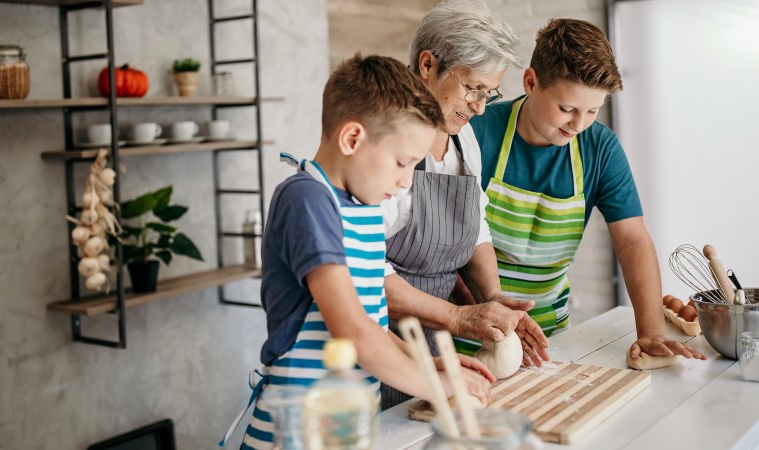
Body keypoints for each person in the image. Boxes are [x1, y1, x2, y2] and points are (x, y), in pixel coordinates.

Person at [229, 54, 494, 450]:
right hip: (296, 430)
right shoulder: (306, 199)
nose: (406, 183)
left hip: (345, 424)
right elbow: (352, 331)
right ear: (352, 139)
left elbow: (373, 323)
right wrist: (435, 385)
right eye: (403, 163)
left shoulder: (363, 207)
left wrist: (428, 363)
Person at [467, 18, 707, 361]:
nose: (578, 125)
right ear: (531, 82)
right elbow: (453, 247)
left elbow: (632, 240)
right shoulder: (478, 132)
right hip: (469, 334)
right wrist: (489, 316)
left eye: (592, 110)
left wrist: (651, 331)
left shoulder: (599, 148)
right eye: (567, 109)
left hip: (549, 338)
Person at [380, 0, 549, 408]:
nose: (478, 106)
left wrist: (491, 297)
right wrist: (459, 317)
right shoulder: (386, 140)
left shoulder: (463, 139)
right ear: (427, 66)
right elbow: (364, 270)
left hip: (436, 344)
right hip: (381, 347)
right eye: (472, 88)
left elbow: (475, 226)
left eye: (489, 94)